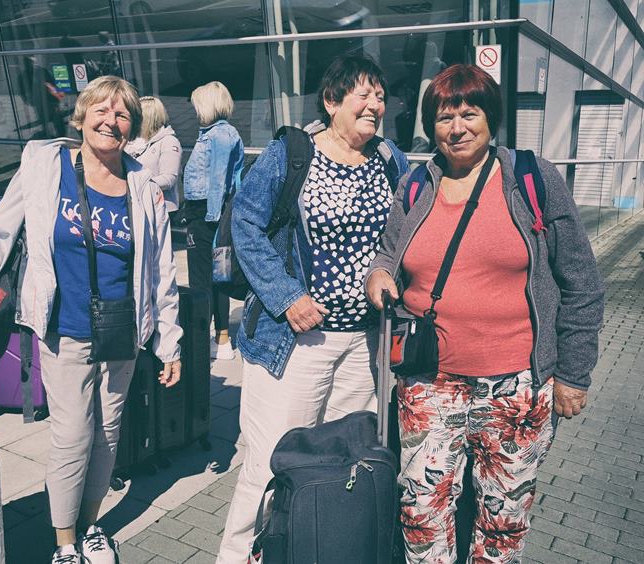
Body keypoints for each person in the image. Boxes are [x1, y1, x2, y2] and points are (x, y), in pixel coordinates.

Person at [0, 75, 183, 564]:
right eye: (102, 109)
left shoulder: (144, 186)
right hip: (64, 329)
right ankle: (65, 543)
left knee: (107, 434)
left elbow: (161, 270)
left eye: (122, 114)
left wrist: (169, 342)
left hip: (123, 329)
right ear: (81, 115)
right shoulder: (44, 166)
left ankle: (90, 528)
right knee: (72, 436)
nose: (111, 121)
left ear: (132, 126)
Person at [365, 64, 604, 563]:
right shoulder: (416, 184)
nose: (457, 128)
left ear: (490, 117)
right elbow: (388, 254)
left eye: (468, 114)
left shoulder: (533, 180)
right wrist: (379, 275)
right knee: (421, 512)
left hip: (516, 388)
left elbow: (581, 282)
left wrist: (573, 375)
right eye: (444, 117)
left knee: (502, 521)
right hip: (428, 382)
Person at [216, 55, 409, 563]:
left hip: (364, 345)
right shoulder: (292, 152)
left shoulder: (389, 158)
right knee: (270, 463)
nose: (375, 105)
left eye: (380, 96)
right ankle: (239, 556)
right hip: (295, 342)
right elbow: (246, 225)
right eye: (363, 94)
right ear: (331, 101)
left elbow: (409, 231)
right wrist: (286, 296)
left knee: (345, 464)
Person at [183, 81, 244, 360]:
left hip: (206, 214)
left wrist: (212, 217)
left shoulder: (219, 135)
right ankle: (220, 338)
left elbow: (219, 178)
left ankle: (207, 339)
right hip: (209, 212)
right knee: (217, 276)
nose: (196, 111)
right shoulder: (218, 134)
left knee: (203, 279)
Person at [125, 95, 182, 215]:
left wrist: (136, 184)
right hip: (136, 206)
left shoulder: (168, 141)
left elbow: (169, 179)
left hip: (161, 209)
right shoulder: (131, 141)